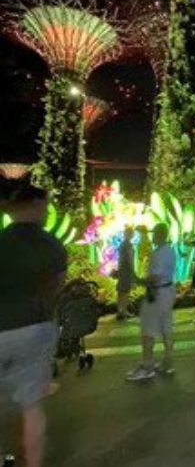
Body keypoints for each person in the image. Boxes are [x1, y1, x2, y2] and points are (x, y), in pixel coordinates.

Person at [0, 183, 67, 467]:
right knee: (31, 407)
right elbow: (56, 289)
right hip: (35, 328)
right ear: (39, 207)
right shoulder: (53, 246)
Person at [126, 223, 176, 381]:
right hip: (168, 291)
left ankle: (146, 367)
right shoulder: (170, 250)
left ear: (159, 235)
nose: (152, 237)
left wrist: (137, 280)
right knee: (166, 328)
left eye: (154, 233)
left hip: (157, 293)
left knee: (148, 331)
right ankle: (167, 363)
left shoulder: (158, 254)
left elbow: (154, 277)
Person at [116, 226, 136, 320]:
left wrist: (119, 269)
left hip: (122, 269)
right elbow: (130, 258)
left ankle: (120, 311)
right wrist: (133, 270)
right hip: (127, 270)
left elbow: (119, 259)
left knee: (120, 291)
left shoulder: (121, 245)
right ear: (130, 234)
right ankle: (124, 311)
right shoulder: (128, 245)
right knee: (126, 291)